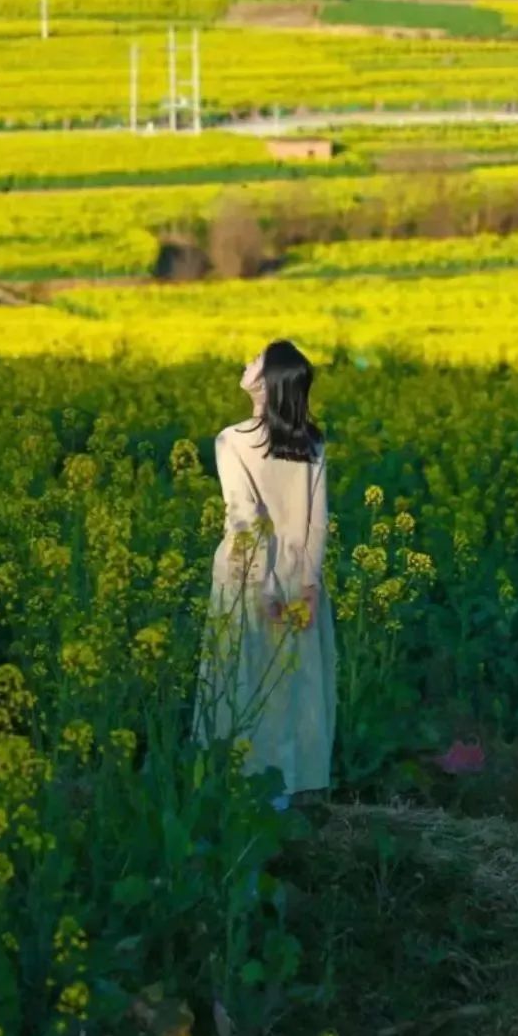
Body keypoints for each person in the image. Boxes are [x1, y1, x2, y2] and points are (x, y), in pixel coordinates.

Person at [193, 340, 337, 800]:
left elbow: (244, 519)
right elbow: (318, 519)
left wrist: (264, 589)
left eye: (256, 358)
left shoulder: (232, 441)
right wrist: (309, 586)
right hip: (300, 580)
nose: (247, 360)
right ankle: (285, 796)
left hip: (247, 583)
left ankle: (243, 799)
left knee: (242, 687)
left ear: (265, 382)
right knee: (290, 691)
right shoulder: (312, 443)